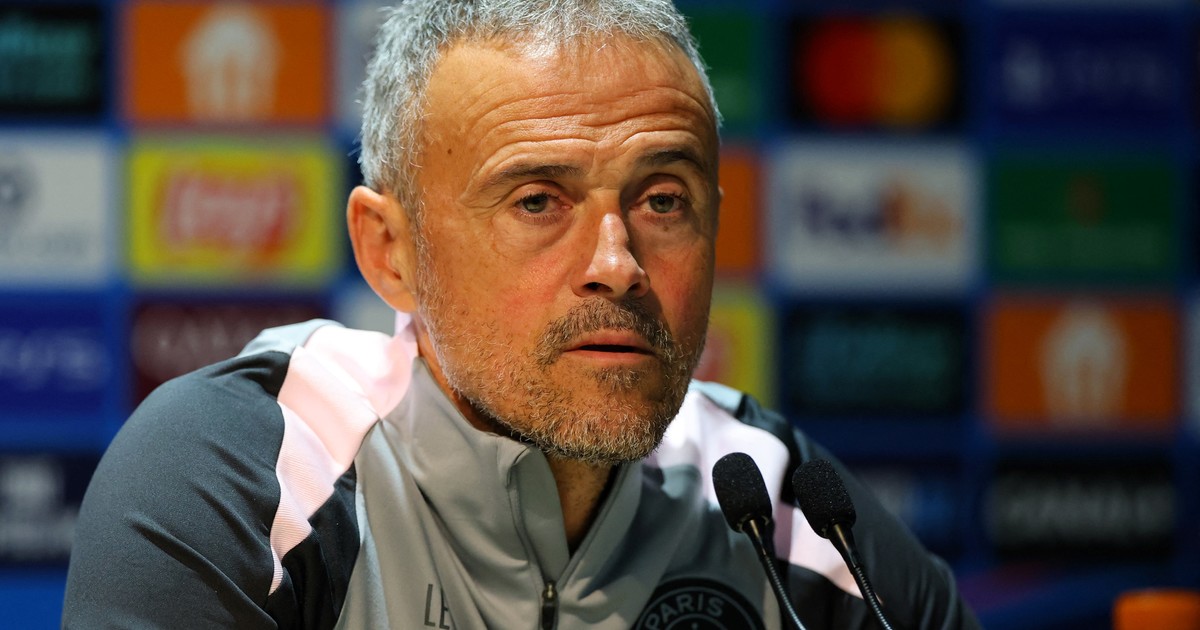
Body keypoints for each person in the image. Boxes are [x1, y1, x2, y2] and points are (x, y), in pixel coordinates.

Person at [63, 1, 980, 628]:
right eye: (538, 201)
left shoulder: (775, 508)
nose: (617, 265)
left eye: (663, 200)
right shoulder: (248, 476)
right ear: (391, 253)